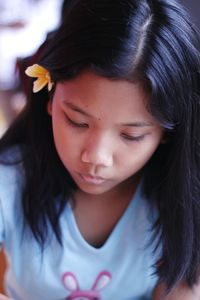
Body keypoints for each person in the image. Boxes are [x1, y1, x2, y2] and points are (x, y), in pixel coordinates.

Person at [0, 0, 200, 299]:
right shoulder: (9, 183)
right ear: (50, 97)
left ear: (168, 132)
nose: (95, 157)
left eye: (131, 135)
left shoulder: (186, 201)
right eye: (77, 122)